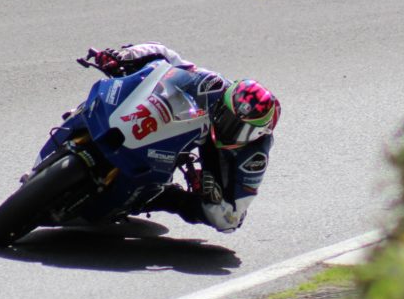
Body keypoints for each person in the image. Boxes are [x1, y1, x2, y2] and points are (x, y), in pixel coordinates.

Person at [93, 42, 280, 233]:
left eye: (241, 129)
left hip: (219, 154)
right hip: (197, 122)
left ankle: (159, 195)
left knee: (226, 220)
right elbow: (166, 55)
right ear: (225, 101)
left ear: (258, 134)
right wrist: (126, 55)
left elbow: (234, 213)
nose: (229, 129)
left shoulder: (254, 157)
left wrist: (212, 194)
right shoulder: (214, 85)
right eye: (228, 118)